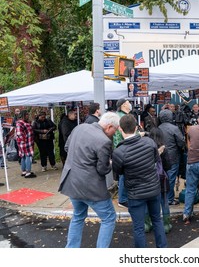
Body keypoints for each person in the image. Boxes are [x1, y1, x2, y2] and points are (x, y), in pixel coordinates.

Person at [58, 112, 120, 248]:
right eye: (115, 131)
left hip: (72, 182)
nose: (114, 134)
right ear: (109, 127)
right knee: (109, 218)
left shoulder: (79, 128)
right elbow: (102, 170)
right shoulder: (104, 141)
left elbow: (67, 147)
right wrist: (110, 162)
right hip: (91, 188)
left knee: (78, 216)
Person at [112, 114, 167, 248]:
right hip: (154, 189)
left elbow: (117, 175)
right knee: (157, 220)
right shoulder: (149, 142)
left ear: (120, 129)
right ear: (137, 127)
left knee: (138, 227)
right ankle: (163, 248)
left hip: (135, 193)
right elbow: (155, 161)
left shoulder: (119, 151)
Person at [158, 109, 186, 205]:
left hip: (160, 156)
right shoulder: (174, 128)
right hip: (172, 157)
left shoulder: (157, 128)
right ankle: (169, 199)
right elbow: (181, 142)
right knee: (171, 179)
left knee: (162, 177)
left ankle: (163, 197)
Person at [148, 127, 172, 233]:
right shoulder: (164, 149)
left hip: (148, 179)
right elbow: (168, 165)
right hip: (161, 178)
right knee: (164, 201)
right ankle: (166, 224)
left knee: (148, 202)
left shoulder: (145, 147)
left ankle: (147, 224)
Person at [113, 98, 132, 208]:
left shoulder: (119, 116)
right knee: (124, 175)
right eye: (128, 102)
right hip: (125, 148)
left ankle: (123, 197)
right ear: (124, 105)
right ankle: (123, 199)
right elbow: (124, 134)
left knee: (124, 174)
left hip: (121, 148)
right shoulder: (122, 117)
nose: (130, 104)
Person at [16, 110, 35, 178]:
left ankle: (24, 171)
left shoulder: (23, 122)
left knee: (23, 156)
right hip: (26, 143)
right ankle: (28, 172)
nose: (28, 115)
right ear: (23, 115)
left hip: (26, 142)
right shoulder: (20, 123)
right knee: (28, 156)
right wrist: (23, 140)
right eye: (26, 114)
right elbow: (19, 133)